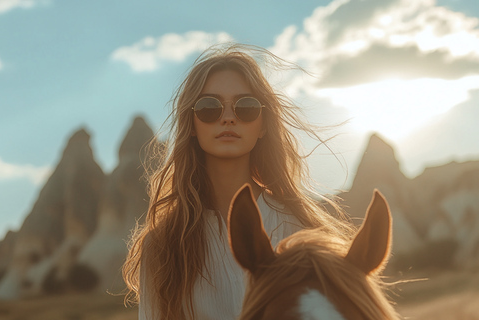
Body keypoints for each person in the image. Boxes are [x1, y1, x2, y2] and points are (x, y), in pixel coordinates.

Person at [122, 43, 353, 320]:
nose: (229, 118)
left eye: (246, 107)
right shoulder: (162, 244)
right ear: (191, 124)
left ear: (264, 125)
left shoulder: (299, 228)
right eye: (209, 107)